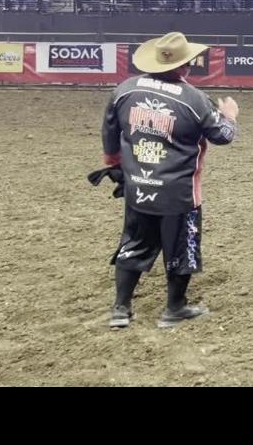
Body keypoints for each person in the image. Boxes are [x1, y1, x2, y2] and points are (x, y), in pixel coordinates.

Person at [101, 32, 239, 329]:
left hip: (138, 183)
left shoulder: (125, 90)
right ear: (185, 65)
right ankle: (173, 308)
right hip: (179, 191)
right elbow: (222, 136)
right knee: (182, 247)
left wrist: (116, 166)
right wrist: (229, 116)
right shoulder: (193, 99)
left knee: (134, 242)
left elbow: (110, 135)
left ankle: (120, 309)